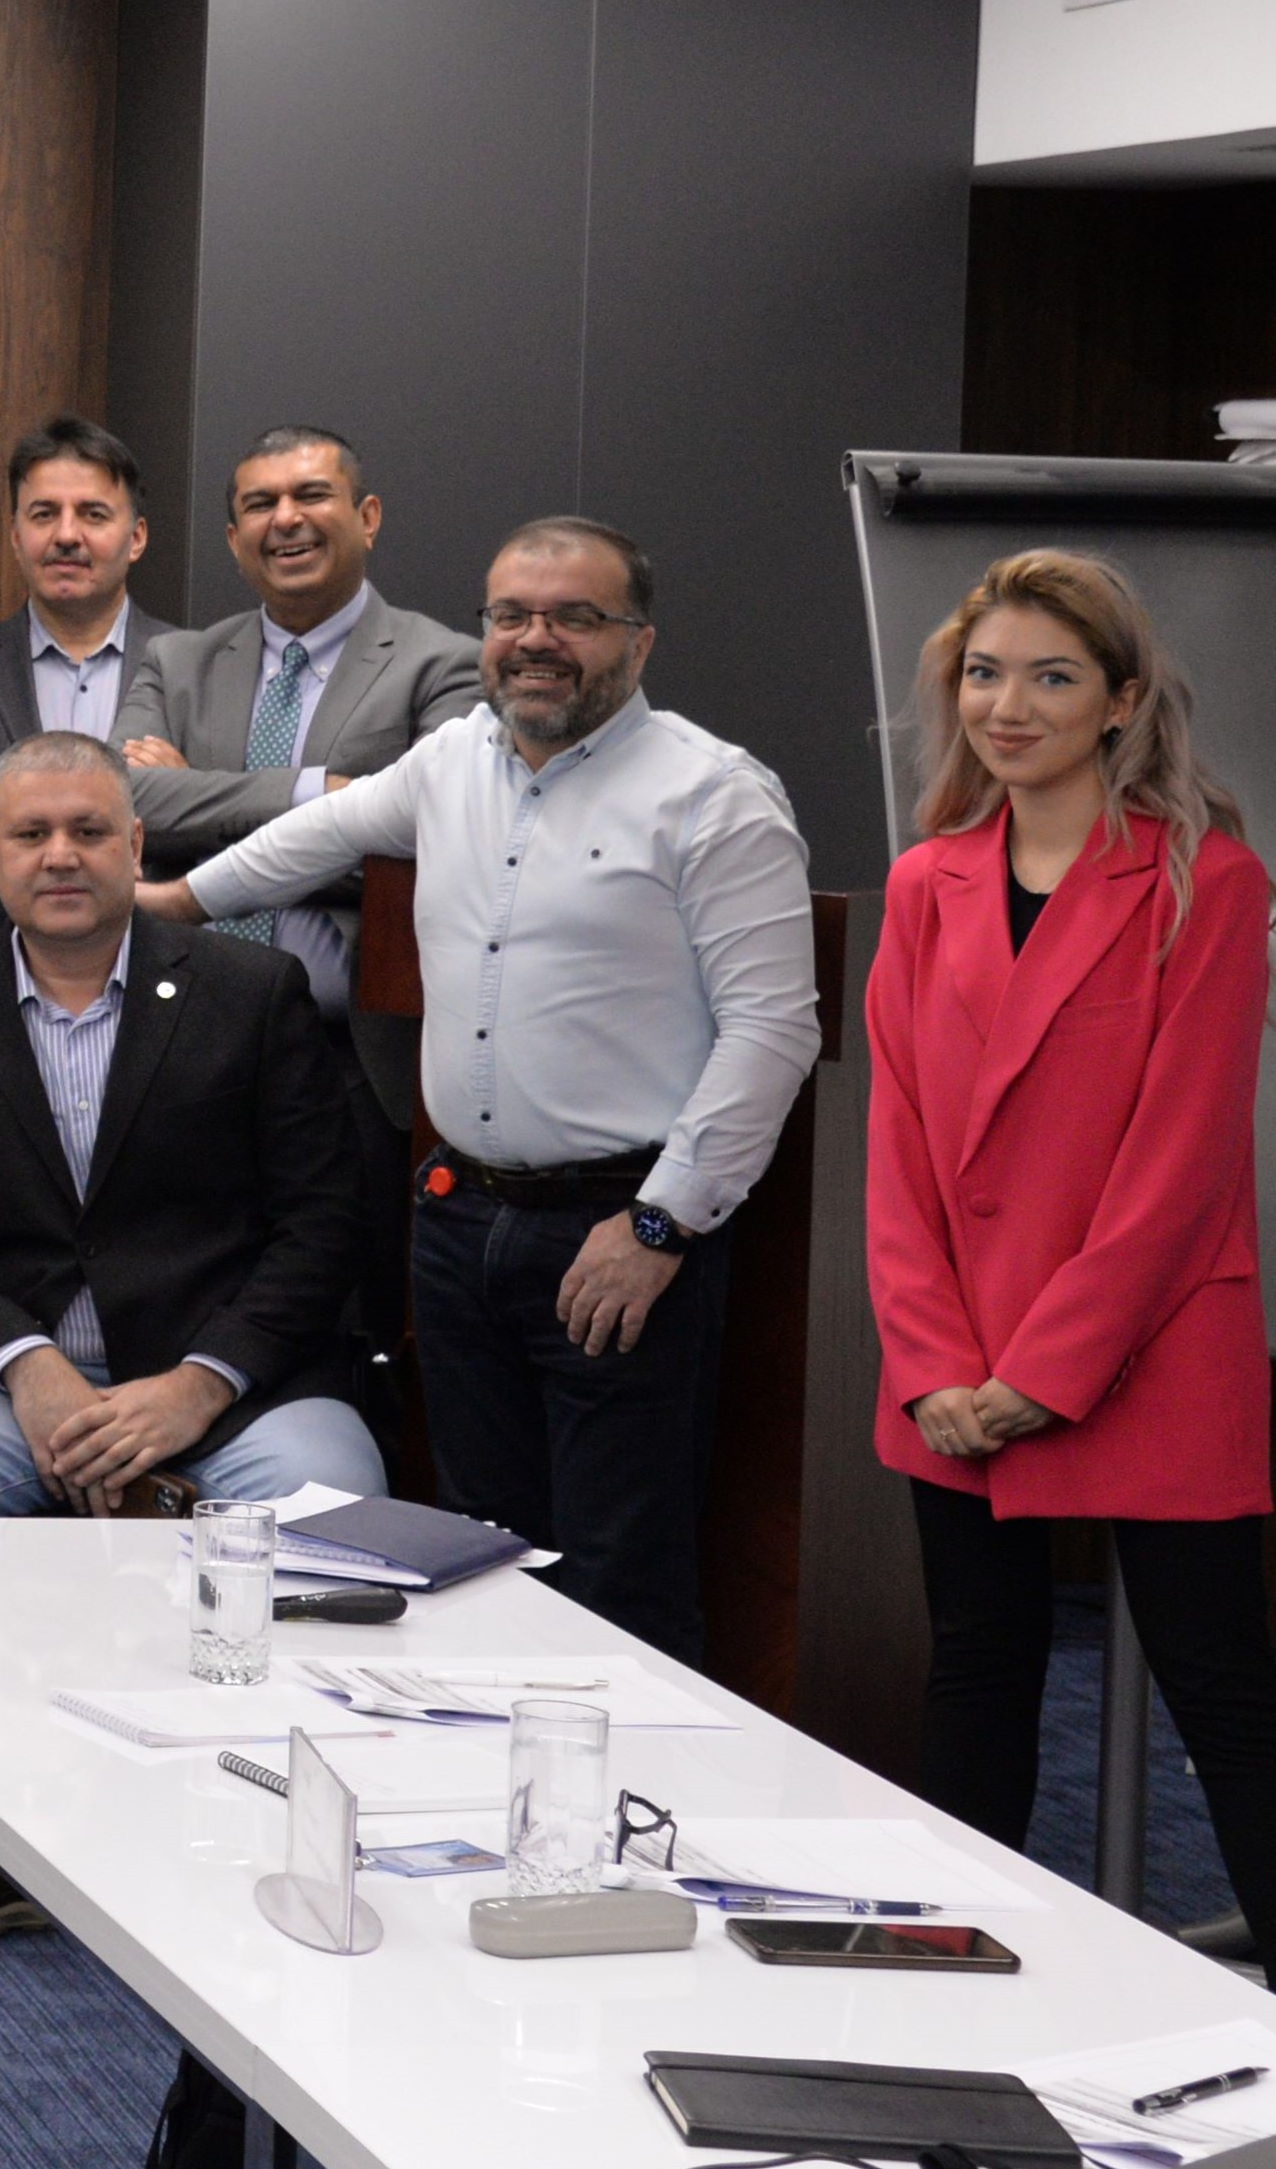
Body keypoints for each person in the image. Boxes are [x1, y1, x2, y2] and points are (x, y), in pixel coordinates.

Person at [147, 519, 815, 1660]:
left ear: (637, 642)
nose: (534, 641)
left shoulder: (713, 797)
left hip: (619, 1234)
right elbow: (303, 839)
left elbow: (771, 1030)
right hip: (457, 1224)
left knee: (618, 1578)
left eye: (572, 617)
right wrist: (165, 908)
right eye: (509, 615)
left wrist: (660, 1222)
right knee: (471, 1558)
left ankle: (617, 1829)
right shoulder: (452, 759)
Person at [864, 553, 1276, 2021]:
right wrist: (939, 1364)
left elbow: (1182, 1161)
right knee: (980, 1669)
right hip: (955, 1359)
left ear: (1122, 700)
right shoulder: (926, 880)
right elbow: (897, 1142)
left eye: (1052, 676)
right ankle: (947, 1990)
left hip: (1147, 1342)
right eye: (985, 675)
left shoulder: (1207, 878)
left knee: (1220, 1685)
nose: (1009, 707)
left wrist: (1043, 1370)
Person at [0, 730, 389, 1948]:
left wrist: (197, 1386)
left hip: (227, 1386)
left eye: (89, 830)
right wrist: (22, 1367)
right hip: (8, 1386)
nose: (61, 855)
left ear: (137, 844)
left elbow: (321, 1225)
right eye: (30, 834)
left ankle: (251, 1840)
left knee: (331, 1498)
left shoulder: (252, 995)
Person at [117, 422, 484, 1125]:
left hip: (350, 1059)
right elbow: (121, 806)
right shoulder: (176, 662)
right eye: (259, 504)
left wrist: (193, 811)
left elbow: (427, 846)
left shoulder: (443, 666)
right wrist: (316, 793)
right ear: (232, 538)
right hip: (180, 1041)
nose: (284, 518)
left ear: (366, 517)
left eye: (310, 494)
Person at [0, 416, 171, 948]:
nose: (67, 535)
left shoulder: (197, 674)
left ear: (136, 537)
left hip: (165, 985)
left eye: (93, 514)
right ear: (16, 536)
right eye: (44, 514)